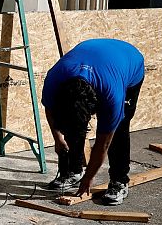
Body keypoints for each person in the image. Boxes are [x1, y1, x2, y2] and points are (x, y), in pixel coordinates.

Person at [41, 39, 144, 205]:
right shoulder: (54, 81)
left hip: (129, 61)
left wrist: (89, 178)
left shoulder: (112, 97)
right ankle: (74, 171)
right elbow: (50, 110)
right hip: (98, 58)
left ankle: (119, 181)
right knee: (73, 128)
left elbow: (102, 144)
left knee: (119, 128)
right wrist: (58, 138)